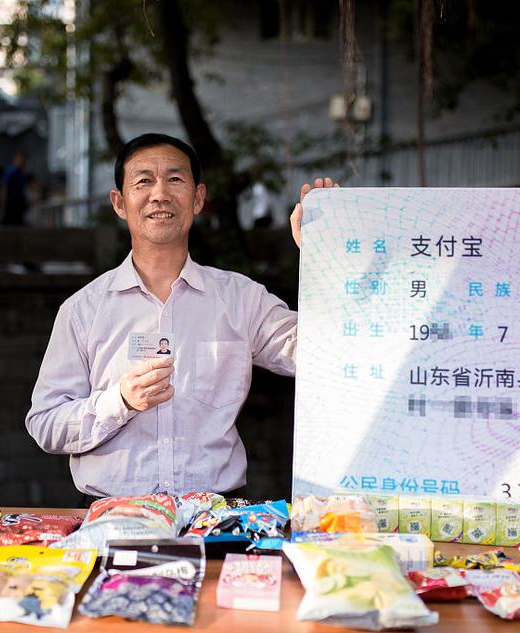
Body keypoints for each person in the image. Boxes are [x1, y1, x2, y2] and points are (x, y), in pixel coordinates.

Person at [25, 132, 333, 502]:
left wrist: (329, 258)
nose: (160, 194)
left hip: (216, 515)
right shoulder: (83, 310)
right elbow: (45, 424)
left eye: (174, 179)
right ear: (119, 203)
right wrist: (120, 401)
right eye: (143, 181)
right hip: (115, 515)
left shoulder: (240, 299)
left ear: (198, 198)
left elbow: (325, 353)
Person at [0, 151, 33, 226]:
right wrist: (3, 207)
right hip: (12, 205)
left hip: (18, 205)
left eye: (24, 160)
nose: (24, 162)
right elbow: (4, 187)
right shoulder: (12, 171)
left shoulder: (20, 173)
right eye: (22, 160)